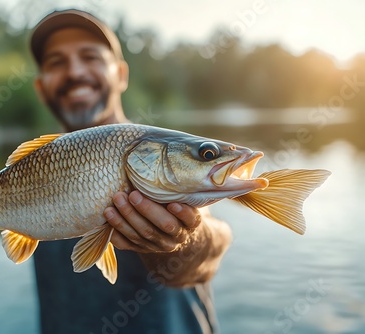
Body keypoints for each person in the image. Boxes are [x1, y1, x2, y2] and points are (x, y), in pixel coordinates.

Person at [29, 9, 232, 334]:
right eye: (56, 62)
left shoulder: (164, 155)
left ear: (121, 74)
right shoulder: (29, 172)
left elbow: (215, 240)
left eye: (90, 56)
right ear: (41, 87)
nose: (75, 71)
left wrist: (186, 237)